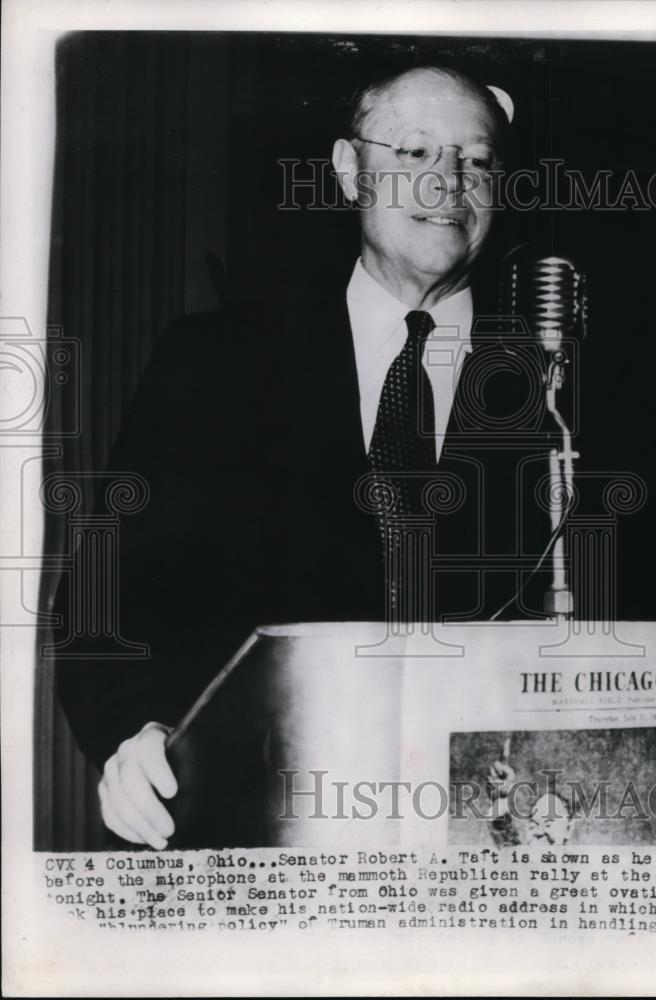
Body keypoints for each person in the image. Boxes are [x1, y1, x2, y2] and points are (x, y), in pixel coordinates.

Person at [55, 65, 551, 849]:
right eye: (416, 153)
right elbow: (104, 605)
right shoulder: (213, 363)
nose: (447, 184)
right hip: (264, 831)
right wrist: (138, 731)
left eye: (477, 160)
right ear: (350, 169)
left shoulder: (568, 377)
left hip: (503, 842)